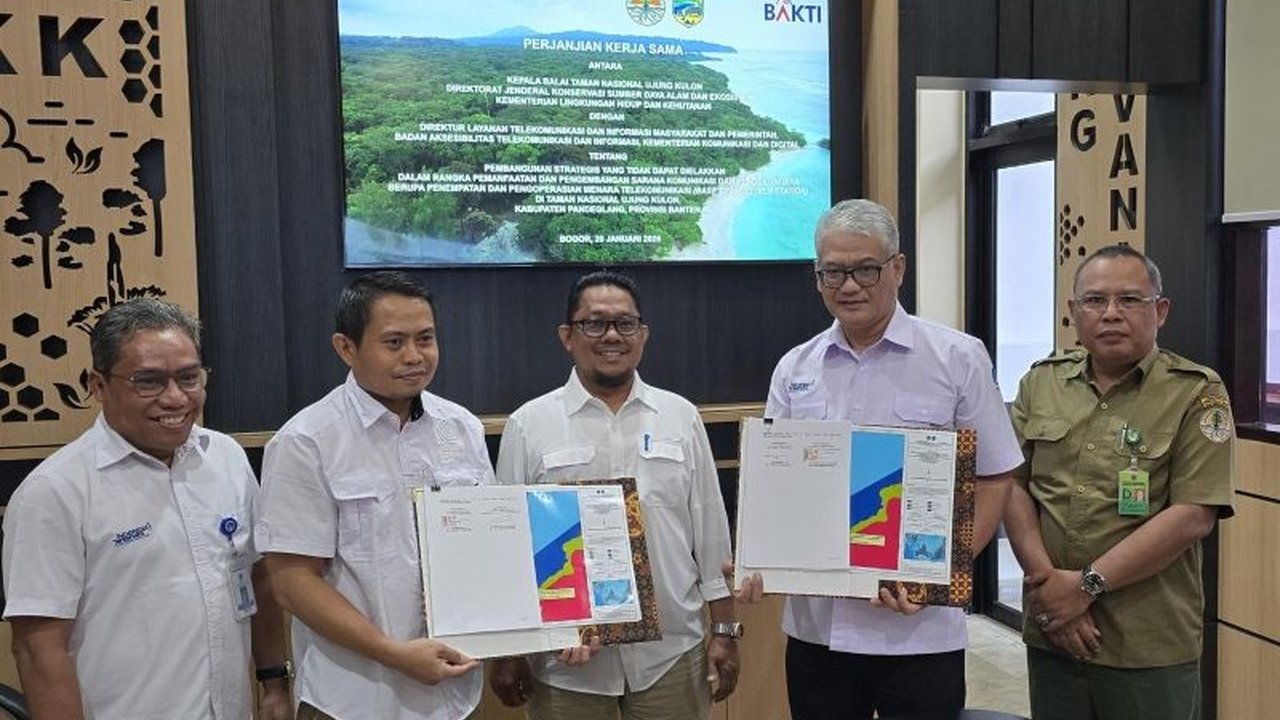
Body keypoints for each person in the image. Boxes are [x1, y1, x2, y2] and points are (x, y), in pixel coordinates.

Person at [758, 198, 1023, 719]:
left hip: (919, 631)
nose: (849, 286)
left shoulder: (957, 357)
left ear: (897, 269)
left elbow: (995, 476)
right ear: (817, 277)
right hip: (818, 634)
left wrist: (946, 570)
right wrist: (758, 557)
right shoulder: (795, 368)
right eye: (832, 272)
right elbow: (776, 482)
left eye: (865, 269)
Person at [1, 298, 291, 720]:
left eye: (189, 378)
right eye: (148, 381)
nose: (175, 398)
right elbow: (37, 648)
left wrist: (273, 683)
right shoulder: (54, 492)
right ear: (98, 385)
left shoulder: (226, 457)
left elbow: (259, 577)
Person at [490, 270, 739, 720]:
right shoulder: (529, 425)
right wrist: (509, 652)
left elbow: (710, 534)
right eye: (594, 323)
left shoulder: (680, 417)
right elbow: (508, 549)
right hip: (566, 666)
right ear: (567, 336)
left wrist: (724, 630)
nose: (611, 336)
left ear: (642, 335)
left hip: (671, 655)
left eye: (625, 324)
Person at [1005, 244, 1234, 720]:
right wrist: (1049, 587)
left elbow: (1193, 515)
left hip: (1147, 642)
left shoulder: (1196, 392)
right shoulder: (1040, 383)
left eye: (1130, 300)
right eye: (1094, 301)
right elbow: (1012, 485)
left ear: (1161, 310)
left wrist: (1084, 588)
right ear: (1073, 312)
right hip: (1053, 632)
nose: (1111, 314)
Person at [256, 272, 489, 720]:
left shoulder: (462, 428)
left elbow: (490, 546)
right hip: (352, 699)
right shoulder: (306, 441)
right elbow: (292, 582)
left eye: (426, 338)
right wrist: (393, 653)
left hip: (454, 695)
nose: (414, 356)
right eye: (394, 342)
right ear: (346, 347)